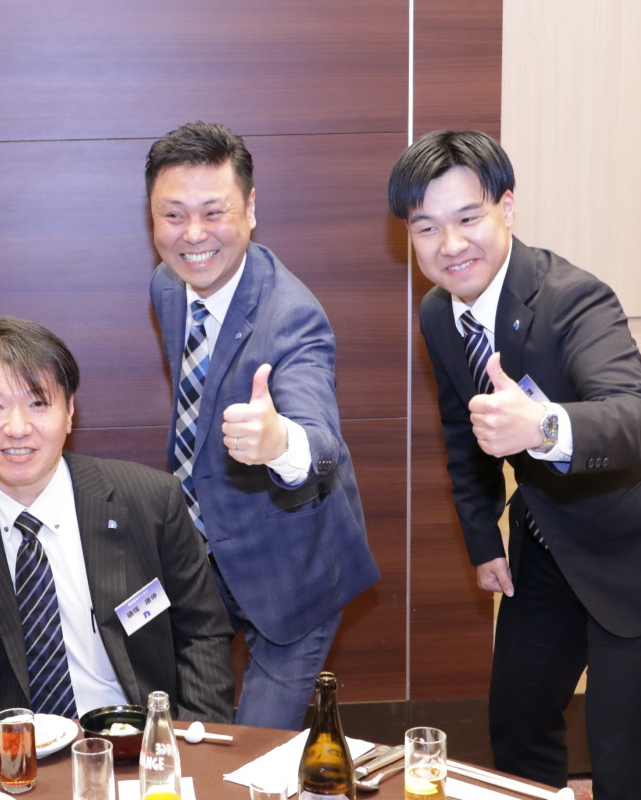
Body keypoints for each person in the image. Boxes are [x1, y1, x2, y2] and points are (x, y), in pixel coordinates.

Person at [387, 129, 641, 799]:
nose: (450, 244)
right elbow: (461, 430)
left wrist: (543, 425)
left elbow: (636, 418)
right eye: (427, 227)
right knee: (517, 719)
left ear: (507, 208)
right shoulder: (438, 313)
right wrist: (481, 539)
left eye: (468, 218)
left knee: (621, 749)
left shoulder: (573, 297)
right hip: (551, 531)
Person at [0, 316, 235, 723]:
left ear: (69, 411)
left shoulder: (151, 499)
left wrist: (192, 738)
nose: (17, 428)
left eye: (38, 403)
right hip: (7, 744)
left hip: (134, 735)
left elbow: (202, 633)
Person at [145, 121, 379, 730]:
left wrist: (280, 444)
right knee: (179, 724)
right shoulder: (169, 285)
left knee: (254, 747)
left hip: (293, 570)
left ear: (250, 209)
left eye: (213, 212)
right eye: (173, 215)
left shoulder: (292, 318)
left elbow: (320, 442)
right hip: (206, 551)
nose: (193, 235)